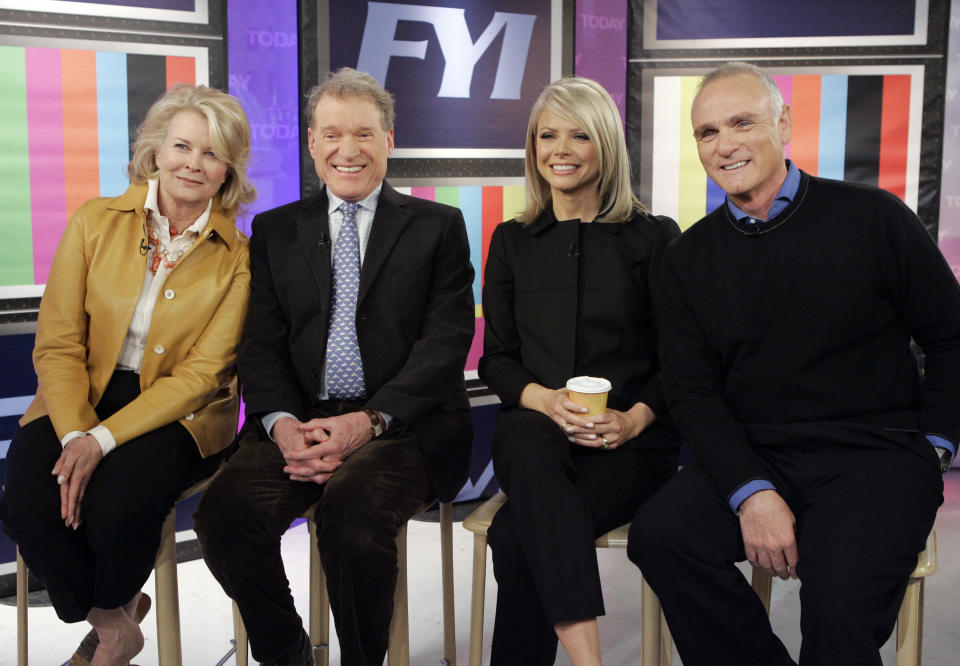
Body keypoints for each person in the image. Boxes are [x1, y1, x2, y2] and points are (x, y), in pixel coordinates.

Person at [629, 61, 960, 665]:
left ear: (784, 123)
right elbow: (691, 390)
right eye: (707, 132)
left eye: (741, 122)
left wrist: (935, 444)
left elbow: (952, 336)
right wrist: (751, 491)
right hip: (758, 454)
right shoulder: (685, 259)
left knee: (835, 617)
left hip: (875, 455)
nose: (724, 144)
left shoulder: (875, 218)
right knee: (661, 535)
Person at [193, 67, 475, 666]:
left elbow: (446, 345)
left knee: (352, 512)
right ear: (313, 144)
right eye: (332, 135)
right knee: (225, 515)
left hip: (405, 424)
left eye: (364, 135)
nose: (348, 150)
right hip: (301, 419)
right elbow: (262, 344)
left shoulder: (439, 227)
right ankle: (286, 649)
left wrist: (369, 422)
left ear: (390, 141)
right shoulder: (274, 231)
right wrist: (282, 424)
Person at [0, 84, 254, 666]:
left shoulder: (240, 255)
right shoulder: (94, 220)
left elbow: (201, 375)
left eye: (212, 154)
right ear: (155, 151)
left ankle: (110, 613)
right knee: (29, 501)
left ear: (228, 173)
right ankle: (113, 621)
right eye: (183, 146)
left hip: (180, 412)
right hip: (80, 394)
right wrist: (74, 435)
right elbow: (59, 343)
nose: (193, 163)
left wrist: (102, 442)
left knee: (119, 501)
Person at [478, 77, 680, 666]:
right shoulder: (512, 240)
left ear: (606, 146)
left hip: (630, 447)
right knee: (524, 438)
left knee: (516, 534)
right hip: (537, 433)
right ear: (533, 148)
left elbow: (683, 361)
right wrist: (542, 398)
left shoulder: (655, 238)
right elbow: (497, 358)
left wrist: (636, 419)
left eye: (579, 135)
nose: (559, 150)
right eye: (547, 135)